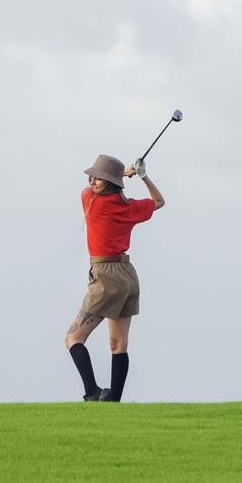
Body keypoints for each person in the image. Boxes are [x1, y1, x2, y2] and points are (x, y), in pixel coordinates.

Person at [65, 154, 165, 402]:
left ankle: (92, 392)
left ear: (110, 182)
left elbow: (87, 191)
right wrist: (142, 176)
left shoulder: (91, 201)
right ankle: (114, 399)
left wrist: (123, 173)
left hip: (106, 276)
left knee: (73, 338)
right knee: (118, 344)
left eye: (98, 178)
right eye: (91, 177)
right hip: (128, 276)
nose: (92, 182)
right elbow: (159, 201)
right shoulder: (128, 207)